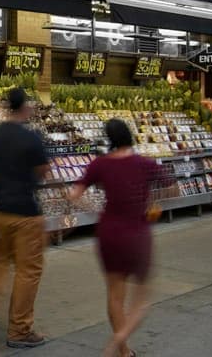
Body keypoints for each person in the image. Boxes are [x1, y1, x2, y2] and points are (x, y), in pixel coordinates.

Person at [67, 119, 169, 357]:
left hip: (108, 233)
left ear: (109, 139)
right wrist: (152, 200)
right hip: (136, 234)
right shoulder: (144, 164)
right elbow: (170, 186)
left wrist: (95, 210)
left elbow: (73, 195)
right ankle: (115, 344)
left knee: (114, 295)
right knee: (141, 299)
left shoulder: (99, 164)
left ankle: (124, 352)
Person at [0, 87, 49, 349]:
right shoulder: (31, 138)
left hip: (0, 212)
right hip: (25, 214)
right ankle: (20, 330)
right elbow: (43, 172)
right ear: (25, 108)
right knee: (28, 272)